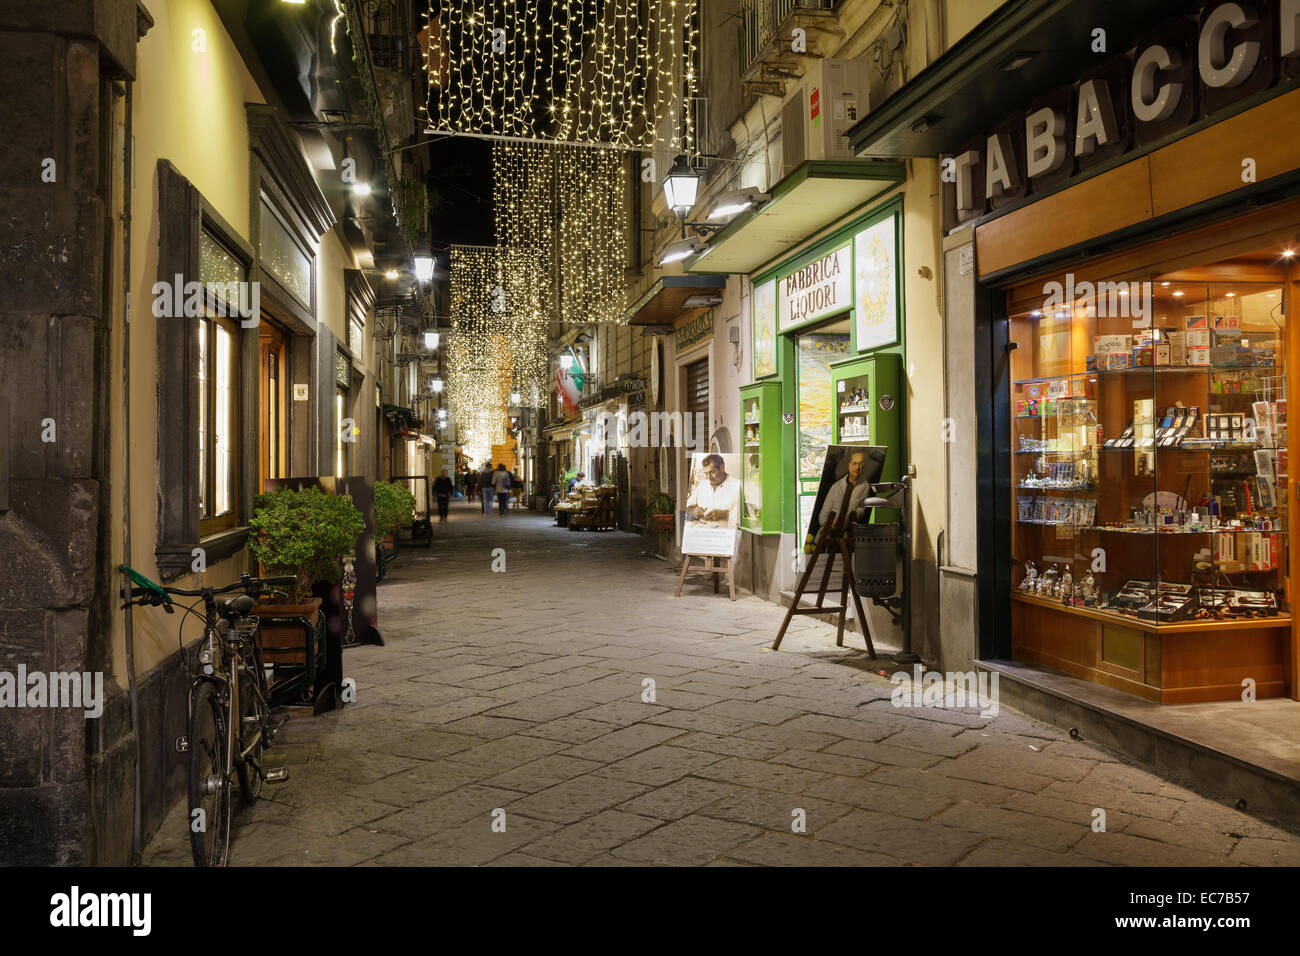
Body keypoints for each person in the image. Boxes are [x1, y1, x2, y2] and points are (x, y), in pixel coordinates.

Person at [819, 450, 872, 530]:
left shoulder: (865, 486)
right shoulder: (836, 486)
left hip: (848, 530)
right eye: (854, 463)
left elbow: (861, 512)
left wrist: (845, 521)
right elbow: (823, 515)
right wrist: (829, 524)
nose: (857, 467)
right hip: (827, 531)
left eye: (861, 464)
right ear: (849, 465)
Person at [685, 454, 740, 528]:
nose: (709, 477)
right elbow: (688, 506)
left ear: (722, 468)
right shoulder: (702, 486)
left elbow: (746, 516)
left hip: (725, 535)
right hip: (701, 532)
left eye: (712, 472)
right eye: (706, 473)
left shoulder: (737, 486)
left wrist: (725, 514)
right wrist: (693, 511)